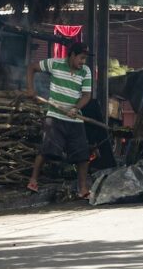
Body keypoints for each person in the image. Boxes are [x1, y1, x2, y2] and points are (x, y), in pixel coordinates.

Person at [26, 42, 93, 199]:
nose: (83, 62)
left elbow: (86, 96)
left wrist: (75, 109)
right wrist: (31, 89)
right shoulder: (55, 63)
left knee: (83, 154)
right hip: (55, 116)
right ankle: (33, 180)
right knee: (46, 149)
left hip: (75, 118)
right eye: (81, 58)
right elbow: (31, 68)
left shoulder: (86, 71)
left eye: (84, 59)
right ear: (72, 55)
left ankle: (82, 188)